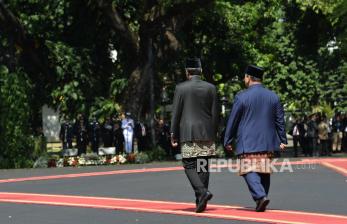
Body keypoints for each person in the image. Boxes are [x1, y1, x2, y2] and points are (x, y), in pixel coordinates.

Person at [224, 65, 287, 212]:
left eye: (244, 76)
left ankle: (260, 197)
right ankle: (262, 198)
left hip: (247, 141)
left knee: (248, 169)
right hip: (267, 141)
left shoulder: (241, 96)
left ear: (248, 77)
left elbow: (233, 120)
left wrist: (227, 139)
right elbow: (280, 120)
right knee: (263, 169)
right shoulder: (274, 97)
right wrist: (282, 139)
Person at [170, 57, 219, 213]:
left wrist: (173, 133)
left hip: (188, 132)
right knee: (202, 165)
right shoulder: (211, 88)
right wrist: (214, 131)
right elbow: (215, 113)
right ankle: (200, 201)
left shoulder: (181, 88)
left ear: (187, 72)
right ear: (201, 71)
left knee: (189, 164)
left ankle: (202, 193)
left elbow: (176, 113)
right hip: (207, 132)